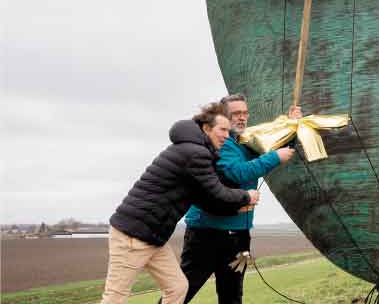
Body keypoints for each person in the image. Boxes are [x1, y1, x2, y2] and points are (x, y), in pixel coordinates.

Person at [101, 103, 259, 304]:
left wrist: (237, 206)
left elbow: (206, 200)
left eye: (229, 130)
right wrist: (247, 196)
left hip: (153, 236)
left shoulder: (196, 152)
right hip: (132, 235)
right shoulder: (195, 153)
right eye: (222, 129)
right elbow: (217, 192)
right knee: (115, 297)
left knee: (178, 288)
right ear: (206, 128)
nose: (227, 135)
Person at [176, 94, 299, 304]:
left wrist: (293, 124)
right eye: (235, 114)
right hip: (207, 233)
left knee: (232, 295)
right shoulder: (222, 143)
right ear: (223, 118)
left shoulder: (246, 141)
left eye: (244, 113)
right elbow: (236, 172)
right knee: (181, 292)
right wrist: (274, 158)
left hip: (238, 234)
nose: (241, 118)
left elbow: (279, 144)